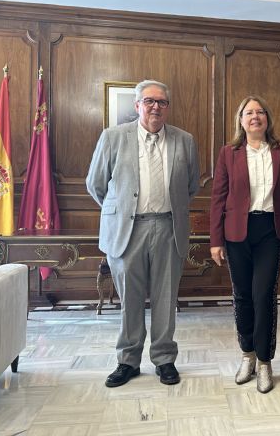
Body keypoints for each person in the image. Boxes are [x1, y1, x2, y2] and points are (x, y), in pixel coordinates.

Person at [86, 79, 200, 388]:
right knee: (130, 300)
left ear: (167, 108)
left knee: (165, 298)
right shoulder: (113, 138)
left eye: (162, 102)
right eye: (149, 101)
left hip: (167, 228)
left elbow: (191, 186)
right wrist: (121, 210)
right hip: (127, 230)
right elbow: (95, 184)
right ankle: (128, 360)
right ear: (137, 106)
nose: (155, 107)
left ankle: (164, 359)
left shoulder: (184, 140)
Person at [209, 95, 280, 393]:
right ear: (241, 119)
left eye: (260, 112)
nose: (255, 117)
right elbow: (218, 198)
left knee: (264, 295)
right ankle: (247, 355)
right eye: (249, 112)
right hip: (237, 231)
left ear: (267, 118)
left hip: (271, 230)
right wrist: (215, 240)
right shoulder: (229, 153)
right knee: (243, 296)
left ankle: (265, 361)